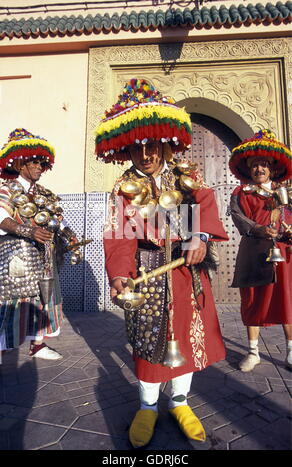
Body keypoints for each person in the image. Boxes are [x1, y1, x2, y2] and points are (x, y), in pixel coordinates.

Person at [96, 79, 229, 447]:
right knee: (148, 341)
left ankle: (181, 402)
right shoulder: (123, 189)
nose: (146, 154)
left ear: (164, 141)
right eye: (137, 149)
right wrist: (120, 274)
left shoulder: (188, 176)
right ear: (127, 151)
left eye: (151, 144)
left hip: (186, 272)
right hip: (148, 273)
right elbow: (119, 235)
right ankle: (148, 406)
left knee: (186, 338)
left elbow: (205, 207)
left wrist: (199, 237)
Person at [0, 128, 81, 360]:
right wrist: (28, 230)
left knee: (45, 299)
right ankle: (3, 348)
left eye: (43, 164)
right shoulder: (6, 189)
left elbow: (58, 221)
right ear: (19, 164)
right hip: (16, 257)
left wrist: (69, 237)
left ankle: (37, 344)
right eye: (34, 162)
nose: (39, 167)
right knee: (11, 302)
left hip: (44, 256)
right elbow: (1, 218)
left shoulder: (45, 193)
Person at [229, 129, 292, 372]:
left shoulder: (284, 192)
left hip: (283, 253)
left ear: (272, 169)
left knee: (286, 299)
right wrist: (258, 229)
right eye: (254, 165)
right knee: (252, 300)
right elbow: (238, 217)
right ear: (248, 169)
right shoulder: (240, 193)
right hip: (253, 252)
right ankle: (253, 352)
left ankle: (289, 351)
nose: (259, 170)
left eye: (263, 165)